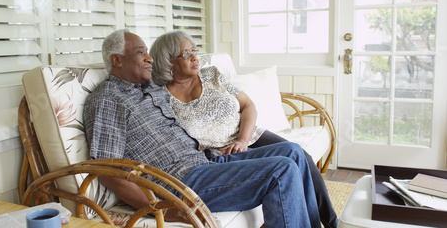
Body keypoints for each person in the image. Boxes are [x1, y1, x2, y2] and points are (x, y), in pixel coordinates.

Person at [84, 29, 322, 227]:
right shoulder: (108, 98)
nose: (150, 58)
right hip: (181, 181)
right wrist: (163, 209)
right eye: (140, 53)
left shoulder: (149, 89)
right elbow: (107, 169)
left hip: (207, 161)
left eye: (148, 52)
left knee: (292, 152)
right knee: (281, 170)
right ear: (117, 60)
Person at [149, 30, 338, 228]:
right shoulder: (160, 100)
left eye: (194, 50)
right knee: (285, 168)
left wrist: (243, 140)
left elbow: (248, 105)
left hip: (249, 137)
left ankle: (331, 223)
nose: (195, 57)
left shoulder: (211, 75)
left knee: (299, 155)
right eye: (186, 54)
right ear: (168, 61)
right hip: (219, 154)